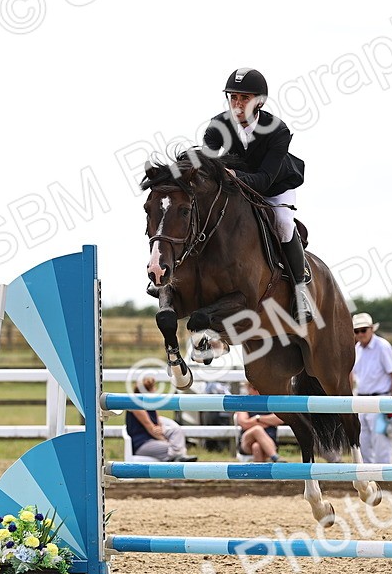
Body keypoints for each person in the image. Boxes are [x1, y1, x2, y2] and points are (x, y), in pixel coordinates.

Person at [200, 67, 312, 323]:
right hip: (236, 185)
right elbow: (207, 164)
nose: (238, 105)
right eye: (234, 98)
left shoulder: (277, 131)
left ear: (259, 101)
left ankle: (300, 289)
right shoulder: (218, 126)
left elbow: (263, 180)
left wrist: (233, 176)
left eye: (245, 99)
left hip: (274, 187)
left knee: (283, 224)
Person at [352, 312, 392, 463]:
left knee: (382, 445)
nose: (360, 334)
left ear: (371, 329)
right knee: (363, 444)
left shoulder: (382, 347)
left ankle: (385, 479)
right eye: (357, 331)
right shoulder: (356, 349)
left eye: (363, 330)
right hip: (361, 401)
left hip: (380, 400)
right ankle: (371, 481)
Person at [125, 377, 197, 462]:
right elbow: (151, 428)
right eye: (153, 388)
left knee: (177, 431)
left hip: (154, 438)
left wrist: (161, 430)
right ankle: (178, 458)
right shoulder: (136, 407)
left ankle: (177, 457)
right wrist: (164, 440)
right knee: (170, 447)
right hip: (142, 443)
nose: (155, 390)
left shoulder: (151, 404)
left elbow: (158, 424)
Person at [235, 383, 283, 462]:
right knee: (257, 429)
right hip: (247, 441)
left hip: (268, 441)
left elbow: (280, 419)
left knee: (256, 446)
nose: (258, 391)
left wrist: (258, 419)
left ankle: (259, 474)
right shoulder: (244, 402)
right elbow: (244, 423)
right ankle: (275, 457)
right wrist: (268, 422)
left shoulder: (270, 401)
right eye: (254, 388)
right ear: (248, 388)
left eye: (261, 388)